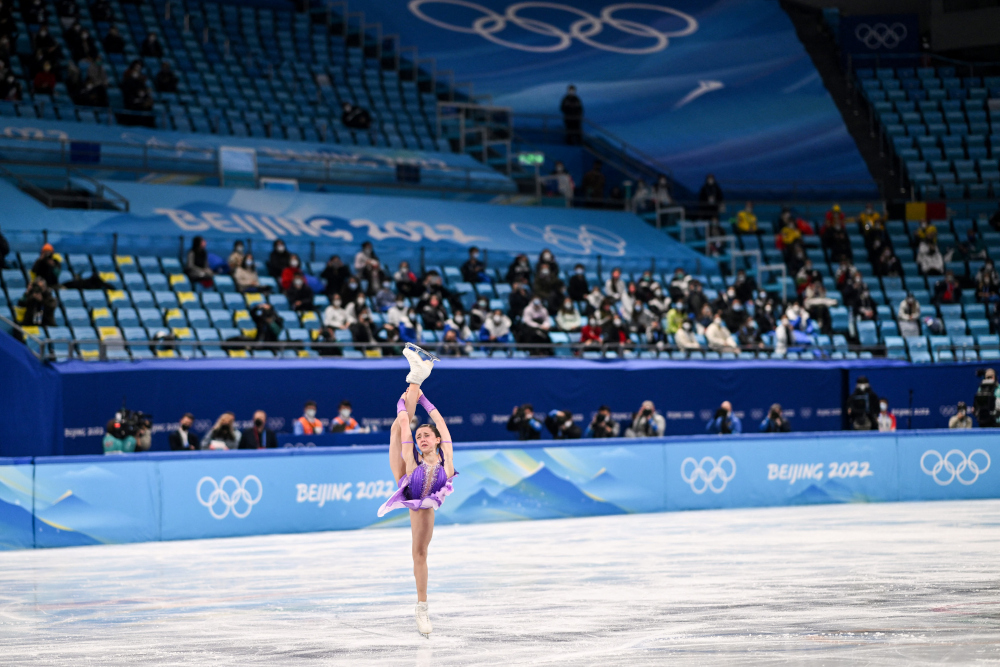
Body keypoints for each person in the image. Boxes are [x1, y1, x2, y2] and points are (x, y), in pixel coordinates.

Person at [376, 347, 457, 636]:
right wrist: (408, 399)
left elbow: (442, 424)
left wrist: (421, 396)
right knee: (397, 431)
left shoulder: (446, 456)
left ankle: (421, 608)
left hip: (426, 502)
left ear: (436, 440)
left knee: (420, 552)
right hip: (407, 479)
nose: (422, 437)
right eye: (419, 435)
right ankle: (417, 376)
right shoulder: (413, 458)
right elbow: (403, 425)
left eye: (426, 435)